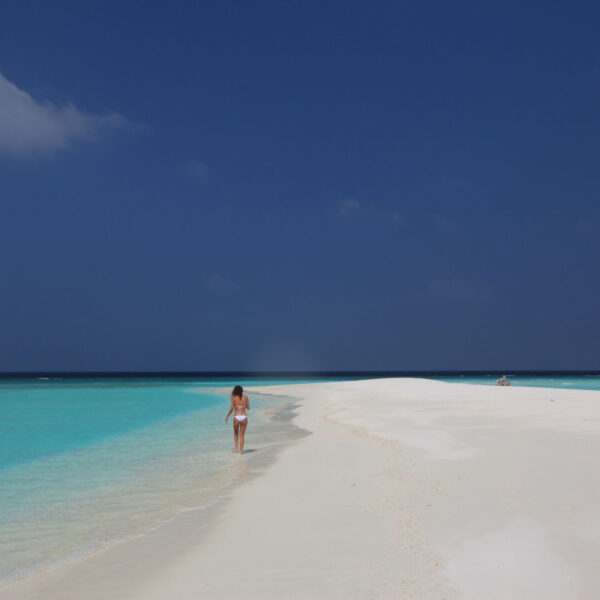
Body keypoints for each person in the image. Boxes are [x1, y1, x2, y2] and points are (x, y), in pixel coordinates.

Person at [225, 385, 250, 454]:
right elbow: (248, 407)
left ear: (235, 391)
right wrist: (244, 405)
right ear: (242, 390)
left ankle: (236, 448)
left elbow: (232, 409)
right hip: (244, 417)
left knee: (236, 433)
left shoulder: (234, 398)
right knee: (242, 435)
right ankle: (241, 451)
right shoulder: (246, 397)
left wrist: (227, 416)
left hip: (236, 417)